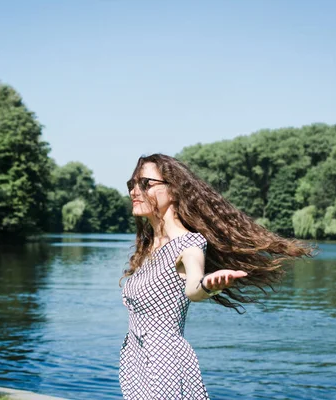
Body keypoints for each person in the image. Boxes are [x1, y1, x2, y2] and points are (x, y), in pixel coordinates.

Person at [119, 153, 313, 399]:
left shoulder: (188, 244)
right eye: (131, 184)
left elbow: (193, 288)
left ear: (174, 190)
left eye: (145, 183)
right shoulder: (150, 245)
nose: (135, 191)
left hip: (163, 363)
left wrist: (208, 286)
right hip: (138, 359)